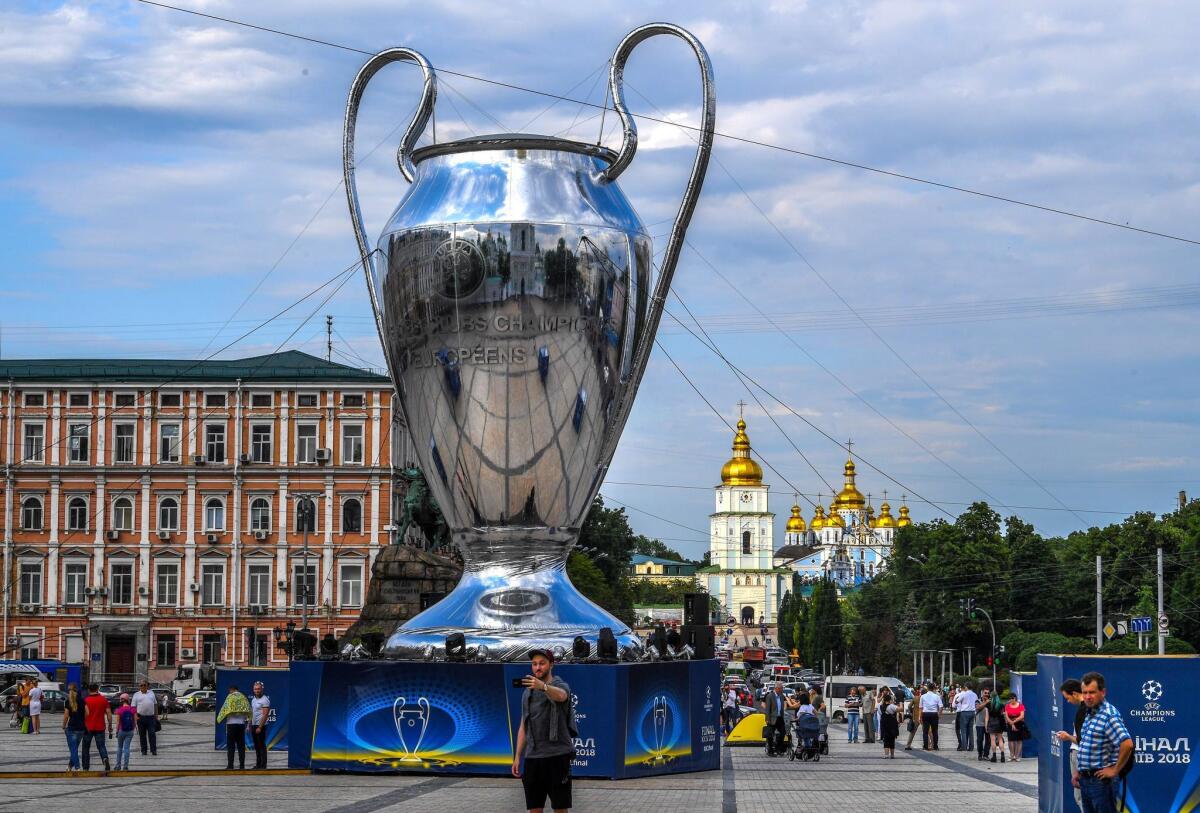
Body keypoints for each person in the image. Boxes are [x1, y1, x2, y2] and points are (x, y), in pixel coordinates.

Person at [512, 648, 574, 813]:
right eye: (534, 664)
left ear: (551, 665)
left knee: (560, 808)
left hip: (557, 756)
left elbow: (562, 696)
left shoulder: (560, 685)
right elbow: (523, 726)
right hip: (533, 757)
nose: (537, 667)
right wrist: (518, 756)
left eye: (542, 663)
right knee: (534, 808)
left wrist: (544, 687)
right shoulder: (527, 693)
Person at [1074, 672, 1132, 813]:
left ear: (1103, 692)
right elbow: (1086, 745)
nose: (1087, 697)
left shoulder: (1108, 715)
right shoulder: (1090, 713)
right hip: (1086, 780)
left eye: (1092, 692)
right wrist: (1078, 771)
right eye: (1085, 692)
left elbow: (1127, 744)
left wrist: (1114, 770)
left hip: (1101, 783)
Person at [1056, 679, 1087, 810]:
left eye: (1067, 698)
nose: (1068, 701)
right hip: (1078, 753)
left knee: (1082, 797)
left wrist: (1068, 737)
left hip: (1080, 754)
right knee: (1080, 796)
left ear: (1074, 693)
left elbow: (1083, 740)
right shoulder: (1083, 710)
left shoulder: (1084, 710)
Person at [217, 684, 251, 770]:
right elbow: (249, 709)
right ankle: (242, 766)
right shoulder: (243, 697)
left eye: (230, 690)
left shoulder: (230, 697)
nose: (230, 692)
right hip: (241, 724)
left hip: (231, 724)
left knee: (231, 746)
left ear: (232, 689)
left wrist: (219, 719)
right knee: (241, 746)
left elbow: (224, 709)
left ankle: (230, 766)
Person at [81, 683, 112, 774]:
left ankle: (86, 767)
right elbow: (109, 714)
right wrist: (110, 725)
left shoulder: (85, 700)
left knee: (86, 748)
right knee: (101, 746)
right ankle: (105, 759)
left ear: (89, 690)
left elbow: (83, 714)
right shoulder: (103, 700)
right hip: (100, 727)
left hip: (87, 728)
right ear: (97, 689)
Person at [61, 683, 86, 773]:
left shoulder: (68, 701)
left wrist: (63, 726)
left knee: (73, 750)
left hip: (71, 728)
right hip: (81, 728)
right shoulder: (82, 701)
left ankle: (78, 767)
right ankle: (69, 767)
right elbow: (87, 713)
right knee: (74, 749)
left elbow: (66, 716)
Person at [131, 680, 158, 756]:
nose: (143, 686)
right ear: (139, 686)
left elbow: (155, 704)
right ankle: (144, 750)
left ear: (147, 686)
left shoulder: (151, 693)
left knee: (152, 734)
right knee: (142, 735)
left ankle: (153, 750)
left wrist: (156, 715)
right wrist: (135, 716)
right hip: (141, 718)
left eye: (144, 685)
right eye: (141, 685)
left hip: (151, 718)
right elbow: (133, 707)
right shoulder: (136, 695)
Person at [250, 681, 271, 769]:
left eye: (258, 689)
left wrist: (260, 727)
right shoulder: (253, 699)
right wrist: (249, 724)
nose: (257, 690)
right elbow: (252, 713)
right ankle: (258, 764)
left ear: (262, 689)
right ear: (253, 690)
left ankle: (263, 765)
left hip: (260, 726)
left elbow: (265, 715)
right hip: (253, 725)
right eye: (255, 689)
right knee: (256, 746)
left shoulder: (265, 700)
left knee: (261, 745)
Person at [763, 681, 788, 756]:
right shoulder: (770, 696)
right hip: (772, 718)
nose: (782, 690)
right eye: (781, 688)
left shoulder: (781, 696)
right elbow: (767, 709)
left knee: (783, 733)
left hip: (780, 718)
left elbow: (783, 706)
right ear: (777, 688)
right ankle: (770, 751)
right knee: (770, 735)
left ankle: (778, 749)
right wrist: (767, 719)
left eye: (782, 688)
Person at [113, 694, 137, 771]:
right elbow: (135, 721)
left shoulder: (119, 710)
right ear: (128, 700)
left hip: (121, 731)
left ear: (121, 700)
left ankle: (118, 766)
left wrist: (116, 731)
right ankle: (125, 766)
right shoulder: (133, 709)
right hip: (130, 731)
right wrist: (132, 728)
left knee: (119, 748)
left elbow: (117, 723)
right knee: (127, 748)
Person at [954, 682, 978, 752]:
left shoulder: (964, 694)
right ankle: (971, 747)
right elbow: (976, 702)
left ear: (966, 687)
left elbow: (956, 702)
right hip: (972, 712)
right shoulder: (975, 694)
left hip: (964, 712)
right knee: (970, 730)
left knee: (963, 730)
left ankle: (964, 746)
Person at [919, 681, 943, 750]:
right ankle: (935, 746)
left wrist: (920, 717)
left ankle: (925, 746)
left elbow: (921, 707)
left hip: (925, 714)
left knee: (925, 731)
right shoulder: (937, 696)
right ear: (934, 689)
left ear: (928, 688)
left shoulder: (923, 696)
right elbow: (941, 706)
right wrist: (939, 714)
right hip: (934, 714)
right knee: (935, 731)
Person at [1005, 693, 1028, 762]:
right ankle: (1012, 755)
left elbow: (1022, 716)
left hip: (1019, 724)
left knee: (1019, 740)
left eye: (1012, 698)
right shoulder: (1007, 706)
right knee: (1010, 740)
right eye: (1010, 698)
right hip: (1010, 724)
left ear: (1015, 698)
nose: (1011, 700)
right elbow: (1006, 716)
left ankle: (1017, 756)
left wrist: (1014, 722)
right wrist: (1011, 724)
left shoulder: (1020, 706)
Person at [986, 691, 1007, 762]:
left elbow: (987, 716)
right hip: (999, 723)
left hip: (991, 722)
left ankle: (994, 756)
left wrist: (986, 725)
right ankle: (1002, 756)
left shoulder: (988, 705)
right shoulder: (1001, 705)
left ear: (991, 696)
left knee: (992, 740)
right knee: (1000, 739)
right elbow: (1002, 715)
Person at [974, 688, 992, 761]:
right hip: (979, 724)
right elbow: (978, 707)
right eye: (985, 693)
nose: (987, 694)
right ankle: (980, 754)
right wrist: (986, 702)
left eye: (988, 693)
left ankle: (986, 755)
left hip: (988, 724)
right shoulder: (978, 701)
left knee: (988, 740)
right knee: (980, 739)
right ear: (982, 693)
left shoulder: (990, 701)